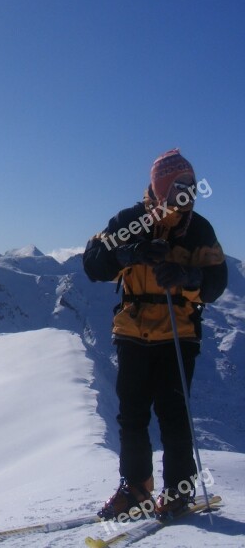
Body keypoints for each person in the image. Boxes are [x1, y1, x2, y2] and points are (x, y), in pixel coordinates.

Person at [83, 148, 227, 520]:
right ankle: (137, 489)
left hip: (178, 334)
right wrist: (127, 253)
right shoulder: (130, 222)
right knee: (132, 416)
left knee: (173, 416)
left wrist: (188, 277)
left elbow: (215, 283)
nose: (188, 194)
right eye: (180, 186)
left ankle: (177, 489)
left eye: (191, 186)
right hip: (133, 332)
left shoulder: (199, 230)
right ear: (161, 186)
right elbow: (93, 263)